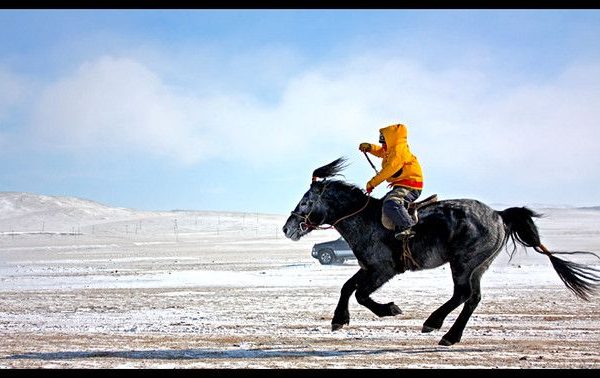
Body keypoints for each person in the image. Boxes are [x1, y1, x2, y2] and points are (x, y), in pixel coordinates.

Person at [359, 123, 423, 240]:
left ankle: (408, 226)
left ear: (391, 140)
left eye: (384, 142)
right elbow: (381, 152)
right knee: (381, 205)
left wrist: (372, 183)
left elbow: (387, 171)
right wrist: (370, 147)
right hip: (401, 185)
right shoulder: (391, 150)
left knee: (391, 203)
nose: (382, 145)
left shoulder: (399, 152)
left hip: (410, 185)